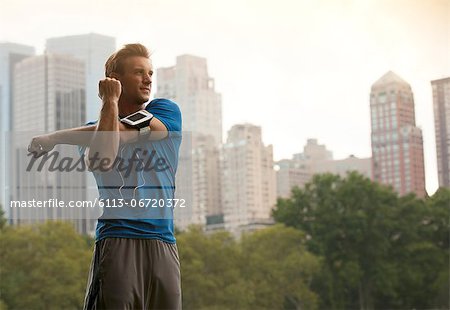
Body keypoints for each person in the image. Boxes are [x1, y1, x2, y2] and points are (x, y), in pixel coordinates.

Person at [28, 43, 182, 309]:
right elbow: (105, 157)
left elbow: (121, 132)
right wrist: (110, 101)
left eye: (150, 73)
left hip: (164, 244)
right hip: (117, 240)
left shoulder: (167, 111)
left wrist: (54, 138)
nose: (148, 79)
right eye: (139, 72)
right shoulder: (94, 133)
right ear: (114, 81)